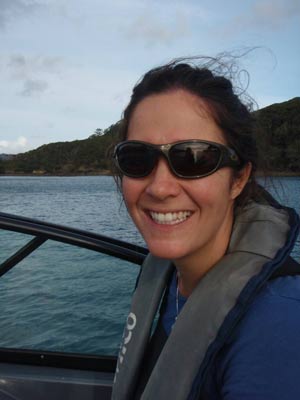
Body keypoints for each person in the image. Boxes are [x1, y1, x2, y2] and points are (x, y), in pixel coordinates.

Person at [111, 57, 300, 400]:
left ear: (239, 179)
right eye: (137, 159)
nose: (160, 187)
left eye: (194, 158)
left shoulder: (282, 325)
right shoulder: (173, 278)